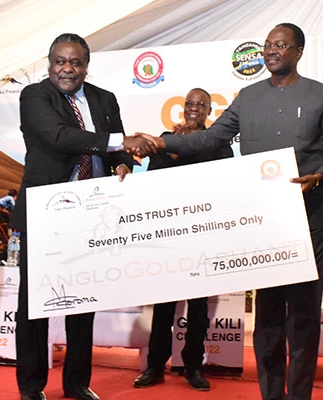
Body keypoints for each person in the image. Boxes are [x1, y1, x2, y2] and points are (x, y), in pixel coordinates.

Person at [137, 23, 323, 400]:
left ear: (298, 51)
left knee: (303, 315)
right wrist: (161, 142)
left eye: (280, 45)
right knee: (267, 316)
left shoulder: (320, 94)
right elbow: (211, 137)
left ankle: (298, 395)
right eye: (267, 45)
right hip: (264, 219)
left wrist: (320, 174)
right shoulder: (248, 96)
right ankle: (271, 395)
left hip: (310, 217)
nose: (271, 51)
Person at [10, 33, 155, 400]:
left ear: (86, 67)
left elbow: (119, 150)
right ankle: (31, 386)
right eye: (60, 61)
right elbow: (59, 137)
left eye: (75, 63)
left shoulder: (104, 99)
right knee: (35, 303)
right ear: (49, 64)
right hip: (46, 213)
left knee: (83, 301)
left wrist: (122, 162)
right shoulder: (35, 96)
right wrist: (118, 142)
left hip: (92, 215)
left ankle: (76, 383)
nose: (67, 69)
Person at [133, 88, 233, 391]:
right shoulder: (165, 139)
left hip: (202, 234)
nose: (194, 108)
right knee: (164, 304)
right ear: (183, 106)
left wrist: (188, 147)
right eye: (190, 103)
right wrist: (176, 146)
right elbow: (154, 180)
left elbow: (226, 183)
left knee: (198, 307)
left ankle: (192, 366)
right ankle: (155, 366)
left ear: (209, 111)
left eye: (201, 104)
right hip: (169, 234)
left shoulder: (218, 143)